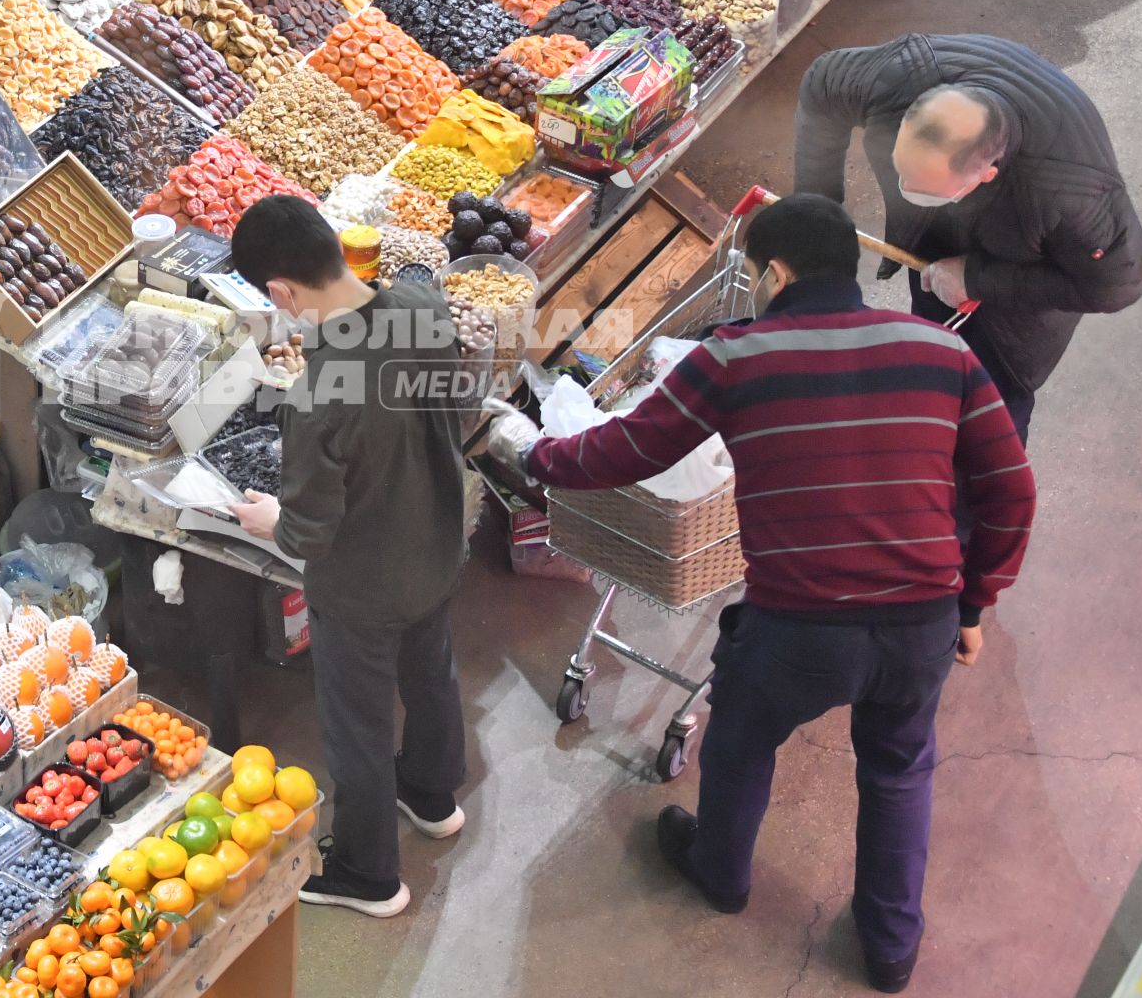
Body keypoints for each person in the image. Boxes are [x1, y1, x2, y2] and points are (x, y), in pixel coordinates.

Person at [485, 195, 1036, 993]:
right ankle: (890, 950)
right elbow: (1011, 492)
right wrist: (974, 602)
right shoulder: (940, 351)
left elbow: (628, 451)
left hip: (797, 628)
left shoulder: (735, 357)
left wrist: (534, 455)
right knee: (900, 768)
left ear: (773, 272)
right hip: (920, 619)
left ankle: (722, 874)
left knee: (741, 741)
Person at [227, 196, 470, 918]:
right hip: (434, 545)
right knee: (432, 676)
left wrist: (270, 517)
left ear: (281, 294)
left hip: (363, 587)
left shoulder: (318, 396)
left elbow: (308, 532)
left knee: (357, 724)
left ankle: (369, 875)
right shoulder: (425, 307)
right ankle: (431, 794)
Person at [793, 32, 1142, 442]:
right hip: (945, 243)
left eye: (927, 188)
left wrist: (977, 279)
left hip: (1015, 298)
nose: (906, 188)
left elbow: (1118, 286)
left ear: (986, 173)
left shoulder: (1070, 195)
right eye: (903, 170)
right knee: (931, 351)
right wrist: (819, 208)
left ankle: (982, 492)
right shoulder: (899, 80)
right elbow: (821, 84)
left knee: (990, 417)